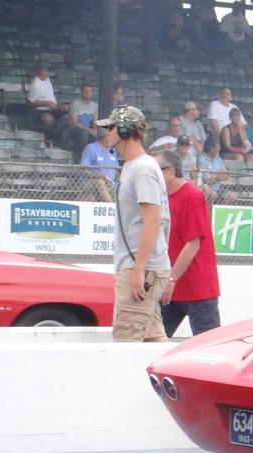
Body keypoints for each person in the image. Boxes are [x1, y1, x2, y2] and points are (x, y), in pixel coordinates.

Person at [96, 106, 171, 343]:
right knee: (153, 339)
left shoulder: (142, 169)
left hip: (141, 268)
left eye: (111, 127)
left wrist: (138, 269)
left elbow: (153, 220)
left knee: (126, 341)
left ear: (126, 129)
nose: (106, 132)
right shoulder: (135, 166)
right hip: (142, 267)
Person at [156, 149, 220, 337]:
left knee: (207, 346)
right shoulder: (163, 198)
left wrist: (171, 279)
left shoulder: (191, 196)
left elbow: (193, 243)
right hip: (173, 286)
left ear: (169, 172)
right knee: (152, 339)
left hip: (197, 288)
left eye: (155, 169)